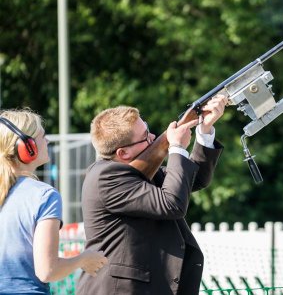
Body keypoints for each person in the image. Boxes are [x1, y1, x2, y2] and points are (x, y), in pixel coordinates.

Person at [77, 95, 227, 295]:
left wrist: (204, 131)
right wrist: (176, 148)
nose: (153, 137)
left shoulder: (139, 172)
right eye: (145, 135)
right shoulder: (106, 177)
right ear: (122, 153)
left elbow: (193, 179)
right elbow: (171, 204)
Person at [0, 109, 108, 294]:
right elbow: (47, 271)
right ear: (27, 147)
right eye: (43, 136)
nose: (48, 141)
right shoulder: (44, 195)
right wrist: (84, 259)